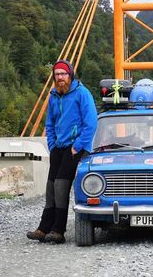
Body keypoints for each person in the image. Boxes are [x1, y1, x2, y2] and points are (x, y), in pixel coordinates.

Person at [27, 60, 97, 244]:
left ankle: (58, 230)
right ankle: (44, 228)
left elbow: (91, 123)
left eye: (63, 74)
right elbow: (49, 124)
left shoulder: (82, 93)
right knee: (50, 187)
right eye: (57, 74)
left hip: (75, 147)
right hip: (58, 147)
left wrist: (77, 145)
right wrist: (51, 144)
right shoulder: (53, 96)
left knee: (60, 186)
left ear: (70, 75)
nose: (60, 78)